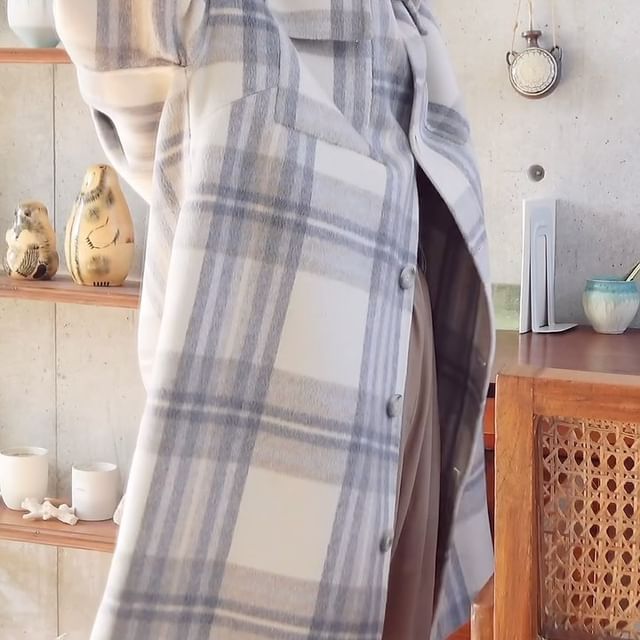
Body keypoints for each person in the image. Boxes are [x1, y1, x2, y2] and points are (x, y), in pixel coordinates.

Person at [53, 2, 494, 639]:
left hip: (402, 319)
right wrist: (204, 154)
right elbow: (105, 34)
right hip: (294, 333)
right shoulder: (223, 14)